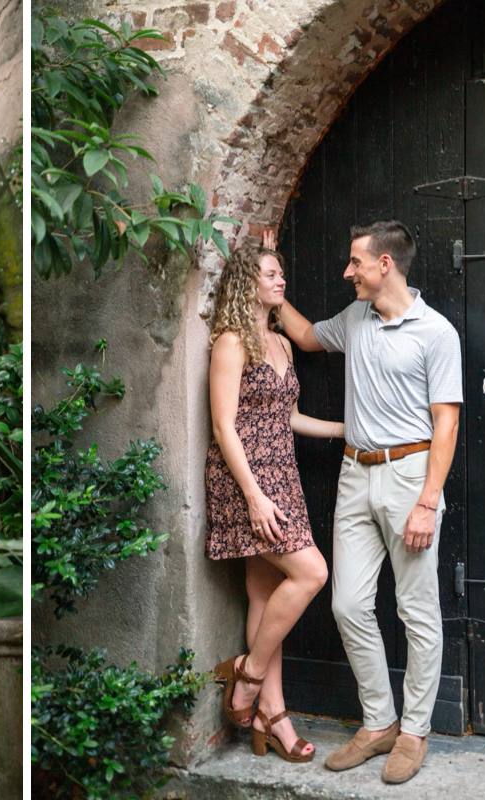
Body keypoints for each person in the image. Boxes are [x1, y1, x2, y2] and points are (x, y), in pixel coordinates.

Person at [276, 221, 462, 785]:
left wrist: (428, 501)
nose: (346, 272)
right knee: (348, 605)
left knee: (417, 611)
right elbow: (308, 338)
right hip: (356, 473)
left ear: (385, 265)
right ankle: (379, 721)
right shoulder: (355, 319)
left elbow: (446, 421)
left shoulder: (435, 332)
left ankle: (414, 732)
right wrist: (270, 292)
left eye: (355, 262)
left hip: (411, 475)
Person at [206, 243, 339, 763]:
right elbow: (223, 425)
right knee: (311, 574)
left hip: (283, 475)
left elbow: (287, 416)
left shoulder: (280, 343)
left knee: (265, 595)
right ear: (247, 283)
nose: (280, 279)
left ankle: (272, 714)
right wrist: (255, 496)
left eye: (281, 271)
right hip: (247, 482)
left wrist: (347, 432)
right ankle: (248, 675)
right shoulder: (232, 343)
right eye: (270, 273)